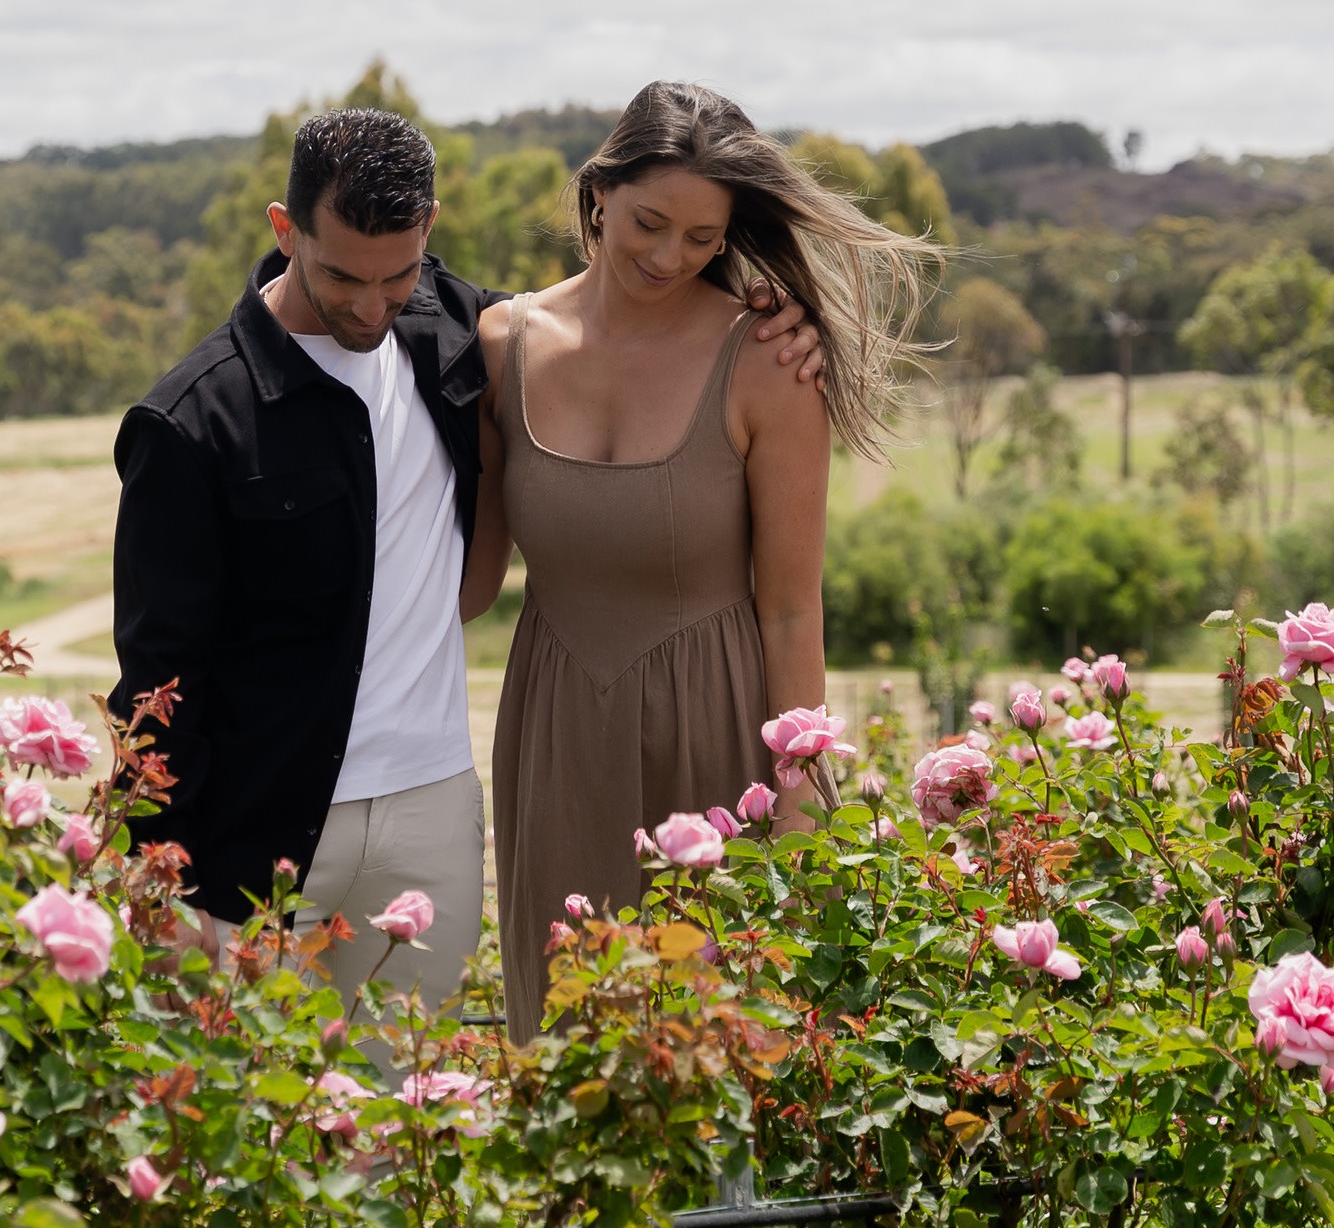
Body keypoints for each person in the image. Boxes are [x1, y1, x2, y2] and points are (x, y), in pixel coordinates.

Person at [108, 106, 826, 1031]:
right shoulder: (203, 418)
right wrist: (156, 868)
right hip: (311, 816)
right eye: (341, 277)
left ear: (430, 235)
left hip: (473, 804)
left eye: (396, 275)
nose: (372, 306)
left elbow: (789, 606)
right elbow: (161, 673)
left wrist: (806, 792)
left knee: (417, 1117)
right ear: (285, 231)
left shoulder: (456, 329)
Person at [463, 81, 937, 1037]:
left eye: (702, 238)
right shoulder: (502, 344)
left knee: (718, 1047)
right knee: (562, 1043)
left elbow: (793, 611)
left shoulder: (766, 358)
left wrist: (802, 801)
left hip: (718, 738)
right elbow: (469, 579)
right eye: (648, 221)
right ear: (598, 192)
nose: (668, 256)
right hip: (555, 739)